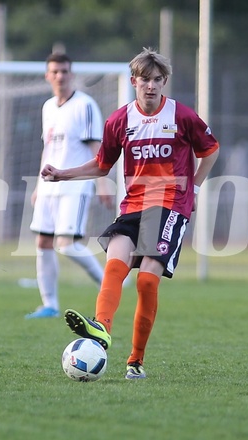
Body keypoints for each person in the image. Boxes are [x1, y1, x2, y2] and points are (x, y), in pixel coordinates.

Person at [40, 48, 219, 379]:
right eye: (144, 80)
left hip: (169, 206)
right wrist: (62, 173)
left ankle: (135, 360)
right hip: (133, 206)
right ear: (134, 81)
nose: (150, 86)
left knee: (147, 281)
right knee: (115, 265)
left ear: (164, 82)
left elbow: (210, 150)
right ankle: (102, 328)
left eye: (157, 80)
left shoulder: (182, 116)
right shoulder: (119, 120)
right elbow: (101, 165)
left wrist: (193, 188)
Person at [27, 52, 112, 319]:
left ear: (71, 74)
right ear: (47, 76)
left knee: (67, 244)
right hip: (49, 186)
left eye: (64, 71)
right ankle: (49, 305)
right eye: (55, 71)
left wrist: (103, 183)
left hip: (75, 185)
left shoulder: (85, 105)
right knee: (43, 242)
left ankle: (110, 286)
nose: (60, 76)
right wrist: (39, 186)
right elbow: (48, 148)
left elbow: (97, 149)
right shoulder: (48, 107)